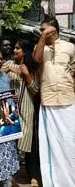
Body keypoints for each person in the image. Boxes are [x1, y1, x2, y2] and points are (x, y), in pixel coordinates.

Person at [33, 17, 75, 186]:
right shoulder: (40, 48)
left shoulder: (70, 47)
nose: (42, 33)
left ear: (54, 30)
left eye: (45, 30)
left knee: (69, 142)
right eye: (41, 30)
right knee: (52, 146)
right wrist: (42, 38)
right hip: (49, 102)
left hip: (68, 100)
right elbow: (36, 60)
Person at [2, 39, 40, 185]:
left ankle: (33, 176)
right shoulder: (9, 64)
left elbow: (36, 90)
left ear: (24, 51)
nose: (14, 51)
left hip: (27, 110)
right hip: (10, 110)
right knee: (10, 142)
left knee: (29, 145)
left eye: (17, 49)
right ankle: (11, 176)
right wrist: (10, 70)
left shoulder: (32, 68)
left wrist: (27, 75)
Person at [0, 48, 20, 187]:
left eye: (1, 59)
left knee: (8, 155)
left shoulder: (5, 77)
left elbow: (9, 98)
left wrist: (15, 99)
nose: (0, 61)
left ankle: (7, 182)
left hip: (7, 124)